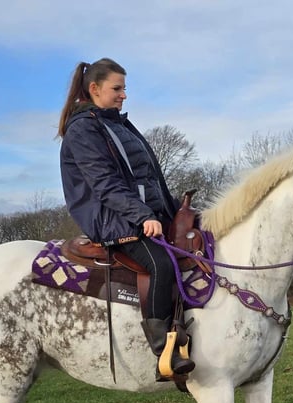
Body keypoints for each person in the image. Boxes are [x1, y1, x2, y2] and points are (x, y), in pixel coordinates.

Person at [57, 57, 194, 381]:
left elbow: (149, 178)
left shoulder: (118, 125)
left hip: (143, 214)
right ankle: (164, 352)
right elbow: (104, 184)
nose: (123, 95)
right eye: (117, 88)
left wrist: (175, 210)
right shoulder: (83, 129)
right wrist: (143, 215)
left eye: (124, 88)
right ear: (94, 89)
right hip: (114, 219)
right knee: (160, 263)